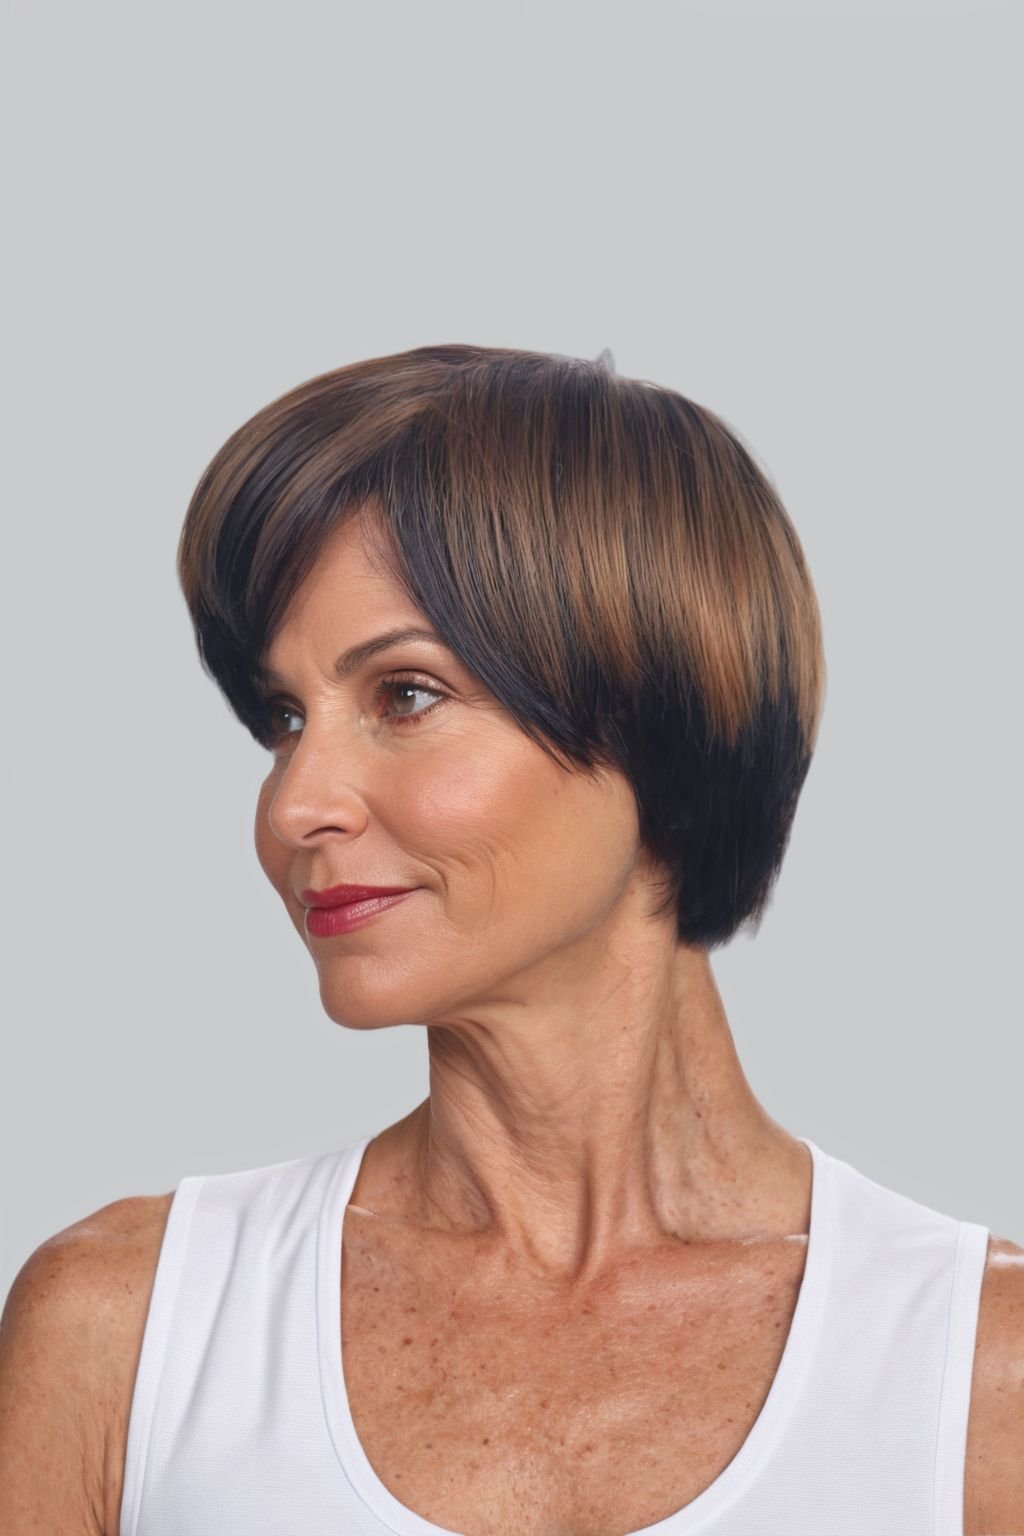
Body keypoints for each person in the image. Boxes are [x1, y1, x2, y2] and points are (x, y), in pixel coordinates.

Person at [1, 344, 1020, 1535]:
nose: (293, 807)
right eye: (283, 717)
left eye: (405, 695)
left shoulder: (982, 1380)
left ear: (658, 710)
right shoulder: (125, 1331)